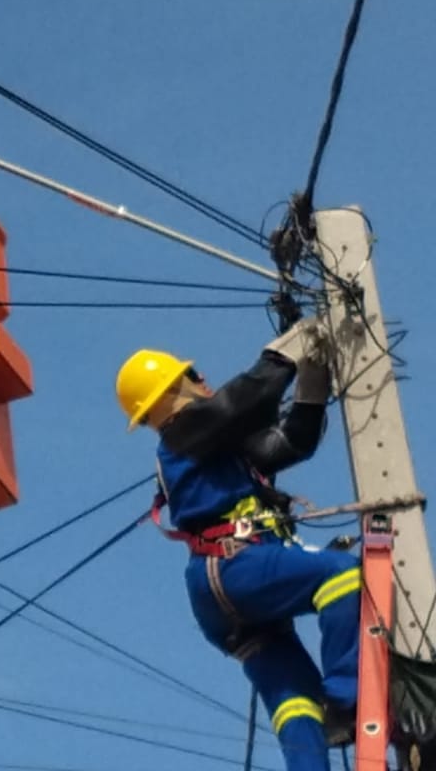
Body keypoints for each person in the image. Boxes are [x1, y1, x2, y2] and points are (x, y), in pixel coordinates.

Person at [115, 320, 360, 771]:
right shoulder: (181, 435)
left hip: (221, 591)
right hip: (233, 567)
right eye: (194, 375)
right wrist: (285, 354)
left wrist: (312, 382)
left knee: (295, 700)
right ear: (171, 392)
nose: (204, 380)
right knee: (343, 577)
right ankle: (348, 699)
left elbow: (288, 442)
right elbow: (246, 401)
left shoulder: (212, 447)